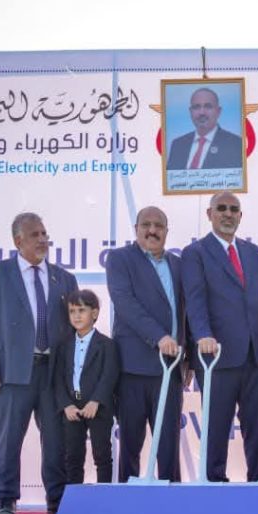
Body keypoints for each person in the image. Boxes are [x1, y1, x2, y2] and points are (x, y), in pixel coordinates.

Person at [0, 213, 78, 514]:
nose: (42, 239)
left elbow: (74, 329)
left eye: (44, 233)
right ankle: (5, 499)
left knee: (56, 440)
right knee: (8, 440)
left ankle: (57, 499)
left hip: (53, 373)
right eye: (35, 235)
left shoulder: (65, 279)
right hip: (11, 374)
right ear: (18, 240)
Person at [181, 192, 258, 482]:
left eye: (233, 209)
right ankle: (214, 485)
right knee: (216, 426)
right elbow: (195, 300)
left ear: (240, 215)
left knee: (256, 426)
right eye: (221, 208)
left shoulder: (255, 253)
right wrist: (203, 335)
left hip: (255, 356)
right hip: (216, 356)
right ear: (209, 214)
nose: (228, 214)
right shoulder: (195, 253)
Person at [105, 206, 187, 483]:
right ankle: (128, 500)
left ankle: (171, 499)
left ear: (167, 231)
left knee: (169, 446)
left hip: (170, 369)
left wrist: (187, 357)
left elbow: (186, 310)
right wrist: (160, 337)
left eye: (159, 226)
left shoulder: (178, 264)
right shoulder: (120, 259)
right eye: (146, 225)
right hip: (133, 368)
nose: (152, 231)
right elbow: (125, 304)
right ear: (136, 229)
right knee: (131, 445)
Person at [54, 290, 120, 488]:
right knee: (72, 456)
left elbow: (109, 376)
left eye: (81, 310)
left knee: (102, 455)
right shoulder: (63, 346)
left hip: (98, 408)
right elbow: (58, 378)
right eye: (72, 311)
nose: (76, 316)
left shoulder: (107, 344)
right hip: (72, 408)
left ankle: (104, 497)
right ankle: (75, 498)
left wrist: (96, 400)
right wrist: (66, 405)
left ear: (95, 313)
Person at [166, 87, 244, 170]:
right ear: (190, 111)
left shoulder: (235, 144)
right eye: (196, 107)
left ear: (218, 111)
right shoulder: (177, 145)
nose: (202, 112)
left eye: (208, 106)